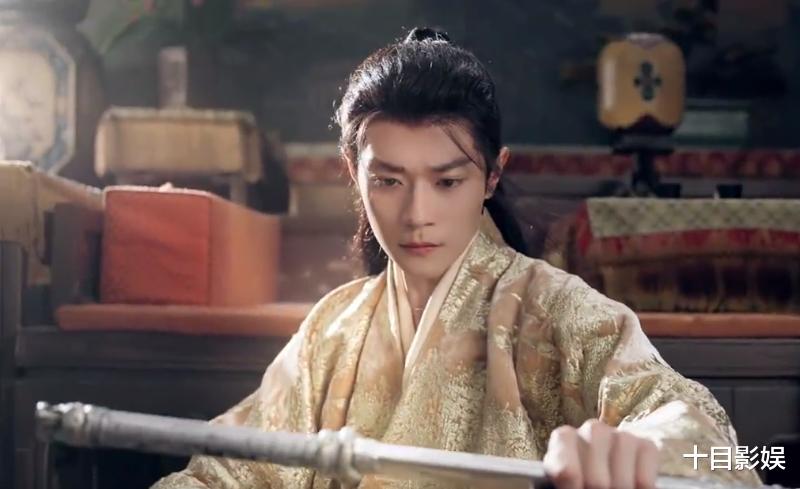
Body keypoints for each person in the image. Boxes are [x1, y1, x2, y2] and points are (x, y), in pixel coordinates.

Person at [153, 27, 761, 489]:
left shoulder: (556, 311)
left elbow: (716, 446)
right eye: (388, 181)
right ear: (352, 173)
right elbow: (228, 470)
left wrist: (648, 451)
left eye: (447, 182)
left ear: (492, 175)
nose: (417, 214)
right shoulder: (331, 332)